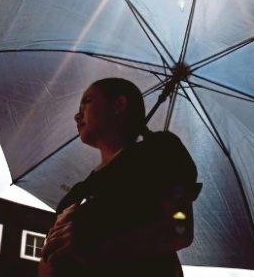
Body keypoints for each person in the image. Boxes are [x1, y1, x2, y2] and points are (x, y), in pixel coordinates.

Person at [38, 78, 200, 277]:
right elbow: (48, 264)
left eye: (87, 102)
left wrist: (93, 248)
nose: (77, 115)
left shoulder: (160, 151)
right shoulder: (78, 192)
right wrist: (52, 251)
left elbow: (179, 229)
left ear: (119, 105)